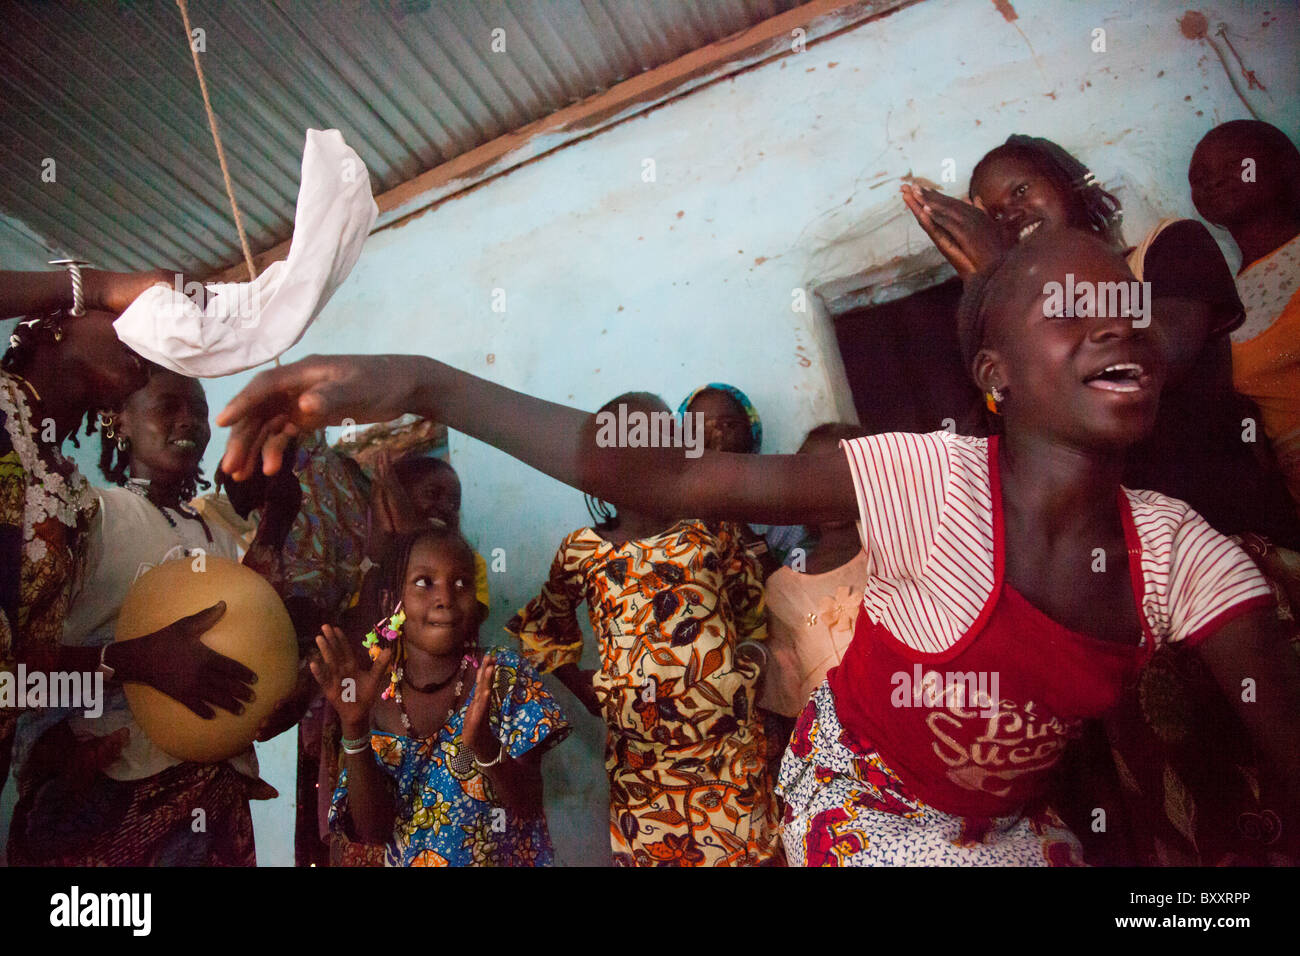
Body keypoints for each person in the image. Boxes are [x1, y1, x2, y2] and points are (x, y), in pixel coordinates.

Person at [217, 228, 1300, 866]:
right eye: (1069, 305)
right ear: (994, 374)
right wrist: (421, 379)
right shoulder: (923, 477)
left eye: (1124, 299)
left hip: (1005, 826)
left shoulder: (1183, 556)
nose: (1114, 320)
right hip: (863, 801)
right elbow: (663, 473)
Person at [902, 134, 1300, 548]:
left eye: (1021, 190)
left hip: (1234, 532)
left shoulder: (1169, 246)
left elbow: (1150, 360)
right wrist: (994, 292)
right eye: (995, 216)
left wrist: (1004, 272)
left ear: (1068, 183)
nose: (1011, 217)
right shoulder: (1020, 315)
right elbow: (1023, 442)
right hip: (1137, 559)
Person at [8, 365, 294, 865]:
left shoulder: (220, 535)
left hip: (213, 799)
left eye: (200, 412)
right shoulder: (90, 517)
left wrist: (270, 700)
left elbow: (257, 641)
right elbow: (22, 668)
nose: (188, 421)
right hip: (105, 785)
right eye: (168, 407)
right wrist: (134, 662)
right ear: (119, 421)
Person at [0, 268, 254, 789]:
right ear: (53, 326)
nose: (142, 333)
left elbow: (24, 677)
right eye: (117, 317)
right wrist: (89, 285)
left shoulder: (66, 493)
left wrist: (121, 662)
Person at [508, 392, 779, 866]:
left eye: (659, 442)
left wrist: (747, 667)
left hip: (728, 748)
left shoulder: (711, 528)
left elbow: (753, 608)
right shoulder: (582, 552)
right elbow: (539, 630)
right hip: (643, 767)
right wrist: (588, 690)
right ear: (599, 470)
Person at [319, 526, 568, 866]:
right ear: (391, 602)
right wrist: (354, 728)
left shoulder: (502, 675)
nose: (446, 598)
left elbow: (526, 802)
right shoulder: (375, 691)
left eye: (462, 583)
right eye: (425, 583)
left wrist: (484, 747)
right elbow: (374, 831)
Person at [1189, 120, 1300, 516]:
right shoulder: (1228, 300)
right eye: (1199, 177)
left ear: (1285, 166)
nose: (1214, 181)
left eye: (1236, 165)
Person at [758, 423, 868, 720]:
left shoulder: (895, 559)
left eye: (843, 476)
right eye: (816, 479)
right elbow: (791, 701)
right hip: (841, 753)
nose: (829, 491)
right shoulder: (782, 589)